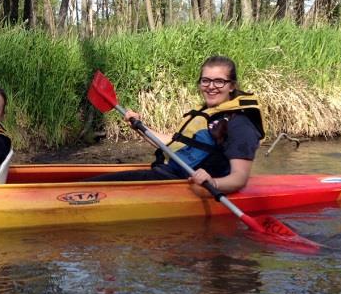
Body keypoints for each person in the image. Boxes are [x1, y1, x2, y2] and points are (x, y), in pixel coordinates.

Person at [89, 56, 264, 194]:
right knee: (93, 182)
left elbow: (239, 178)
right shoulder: (205, 113)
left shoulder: (239, 123)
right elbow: (171, 144)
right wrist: (139, 127)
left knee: (90, 187)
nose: (211, 87)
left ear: (231, 86)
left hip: (186, 185)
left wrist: (214, 183)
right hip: (168, 175)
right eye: (205, 81)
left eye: (219, 81)